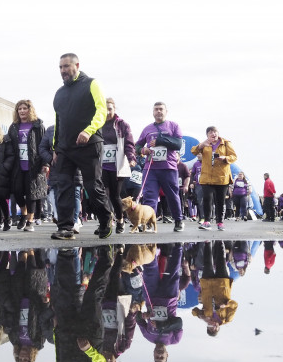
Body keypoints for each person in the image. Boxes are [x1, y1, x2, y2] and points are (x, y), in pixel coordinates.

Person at [48, 53, 113, 240]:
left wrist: (88, 130)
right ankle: (66, 227)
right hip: (65, 148)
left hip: (89, 144)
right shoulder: (59, 93)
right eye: (60, 67)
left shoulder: (92, 84)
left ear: (77, 65)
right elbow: (58, 121)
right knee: (64, 187)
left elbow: (101, 111)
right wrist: (55, 148)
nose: (63, 71)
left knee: (93, 186)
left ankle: (105, 220)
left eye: (66, 66)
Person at [135, 102, 185, 232]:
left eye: (161, 109)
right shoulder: (147, 129)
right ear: (153, 112)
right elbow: (137, 146)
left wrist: (160, 141)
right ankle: (148, 222)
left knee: (172, 194)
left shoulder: (173, 126)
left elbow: (178, 144)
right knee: (149, 195)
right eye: (156, 109)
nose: (158, 111)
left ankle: (178, 220)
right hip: (150, 167)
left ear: (166, 111)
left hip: (168, 166)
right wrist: (143, 150)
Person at [7, 100, 47, 232]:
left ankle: (30, 220)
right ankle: (23, 213)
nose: (22, 111)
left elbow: (44, 144)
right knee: (17, 191)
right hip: (18, 164)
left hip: (34, 164)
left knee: (32, 193)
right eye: (20, 109)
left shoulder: (37, 124)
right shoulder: (13, 126)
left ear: (30, 110)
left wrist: (45, 163)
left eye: (25, 108)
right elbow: (9, 145)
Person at [99, 98, 136, 234]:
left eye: (109, 108)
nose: (107, 112)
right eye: (104, 109)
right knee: (102, 195)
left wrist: (131, 157)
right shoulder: (97, 124)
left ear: (114, 109)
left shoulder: (122, 124)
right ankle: (106, 222)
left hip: (117, 165)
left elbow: (129, 143)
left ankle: (120, 220)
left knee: (115, 195)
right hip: (101, 165)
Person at [191, 126, 237, 230]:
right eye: (211, 132)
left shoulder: (225, 143)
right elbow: (193, 151)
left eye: (215, 132)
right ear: (207, 135)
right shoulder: (204, 144)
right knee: (207, 199)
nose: (213, 134)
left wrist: (225, 158)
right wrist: (202, 145)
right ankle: (207, 221)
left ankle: (220, 222)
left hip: (221, 177)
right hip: (207, 177)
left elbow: (234, 156)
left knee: (220, 201)